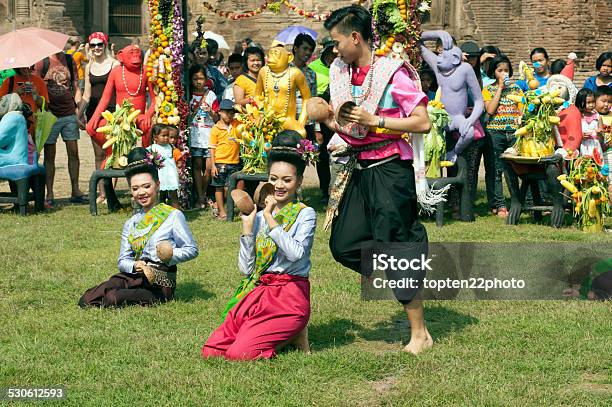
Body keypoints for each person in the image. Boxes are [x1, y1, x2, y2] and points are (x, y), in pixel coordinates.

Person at [323, 5, 433, 354]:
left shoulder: (392, 73)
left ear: (355, 38)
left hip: (390, 170)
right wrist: (323, 115)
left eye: (337, 41)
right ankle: (406, 257)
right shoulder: (342, 72)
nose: (335, 49)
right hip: (359, 170)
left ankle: (420, 334)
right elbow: (345, 126)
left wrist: (377, 121)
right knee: (343, 244)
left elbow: (421, 122)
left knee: (395, 244)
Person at [202, 131, 316, 360]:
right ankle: (273, 333)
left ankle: (291, 333)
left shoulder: (306, 214)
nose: (279, 186)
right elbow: (246, 270)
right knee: (212, 351)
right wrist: (247, 228)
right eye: (273, 179)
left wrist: (271, 218)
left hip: (290, 295)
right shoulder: (260, 216)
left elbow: (295, 254)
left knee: (239, 353)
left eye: (287, 180)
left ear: (299, 181)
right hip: (259, 292)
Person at [79, 147, 199, 308]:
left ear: (157, 185)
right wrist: (135, 265)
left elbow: (192, 249)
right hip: (135, 274)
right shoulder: (131, 223)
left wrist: (167, 255)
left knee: (113, 298)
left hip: (159, 284)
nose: (141, 192)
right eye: (135, 188)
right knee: (88, 298)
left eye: (146, 186)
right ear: (131, 191)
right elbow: (123, 260)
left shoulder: (173, 216)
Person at [33, 51, 85, 208]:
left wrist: (79, 111)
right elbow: (36, 84)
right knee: (50, 156)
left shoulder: (69, 60)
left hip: (69, 113)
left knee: (74, 152)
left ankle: (75, 190)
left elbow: (75, 86)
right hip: (51, 114)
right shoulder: (43, 62)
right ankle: (49, 193)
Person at [77, 32, 119, 204]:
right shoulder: (89, 66)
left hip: (110, 112)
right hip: (93, 113)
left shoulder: (114, 64)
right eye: (93, 45)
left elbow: (118, 90)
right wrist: (78, 114)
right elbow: (86, 94)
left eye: (99, 45)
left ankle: (110, 193)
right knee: (98, 154)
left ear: (105, 45)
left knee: (111, 154)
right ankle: (102, 193)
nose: (96, 48)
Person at [482, 55, 524, 218]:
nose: (504, 73)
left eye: (506, 70)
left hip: (514, 133)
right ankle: (500, 205)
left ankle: (519, 201)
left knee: (516, 169)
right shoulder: (488, 90)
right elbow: (490, 110)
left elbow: (521, 111)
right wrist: (499, 88)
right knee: (496, 170)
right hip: (495, 133)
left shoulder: (516, 90)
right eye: (500, 71)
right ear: (494, 72)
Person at [189, 64, 219, 209]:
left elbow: (217, 117)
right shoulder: (188, 94)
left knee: (208, 167)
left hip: (208, 135)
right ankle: (200, 197)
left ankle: (203, 194)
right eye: (195, 79)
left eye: (201, 78)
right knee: (197, 166)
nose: (198, 82)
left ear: (206, 80)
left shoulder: (211, 95)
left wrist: (210, 112)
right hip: (195, 135)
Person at [210, 99, 243, 220]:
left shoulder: (236, 124)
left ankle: (231, 209)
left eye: (231, 113)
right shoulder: (215, 129)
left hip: (234, 162)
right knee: (218, 187)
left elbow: (249, 119)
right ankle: (221, 211)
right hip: (220, 163)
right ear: (220, 112)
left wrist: (241, 109)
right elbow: (212, 148)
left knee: (231, 187)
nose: (229, 115)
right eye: (226, 112)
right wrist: (213, 165)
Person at [0, 66, 48, 139]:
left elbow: (45, 106)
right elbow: (1, 102)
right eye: (23, 67)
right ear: (18, 67)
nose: (26, 69)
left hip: (32, 127)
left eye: (29, 67)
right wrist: (15, 93)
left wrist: (36, 95)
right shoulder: (9, 81)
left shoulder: (39, 82)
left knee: (31, 149)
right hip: (12, 125)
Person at [149, 124, 180, 208]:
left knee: (174, 195)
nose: (166, 138)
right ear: (155, 137)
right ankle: (161, 214)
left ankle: (177, 214)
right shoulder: (153, 148)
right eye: (163, 135)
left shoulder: (171, 147)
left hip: (171, 174)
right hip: (160, 174)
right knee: (160, 195)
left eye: (167, 135)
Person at [576, 88, 604, 158]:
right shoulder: (577, 117)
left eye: (593, 102)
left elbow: (602, 138)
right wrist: (581, 136)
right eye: (588, 102)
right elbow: (574, 135)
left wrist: (600, 133)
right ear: (580, 102)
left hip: (596, 148)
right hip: (582, 148)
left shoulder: (598, 117)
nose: (591, 105)